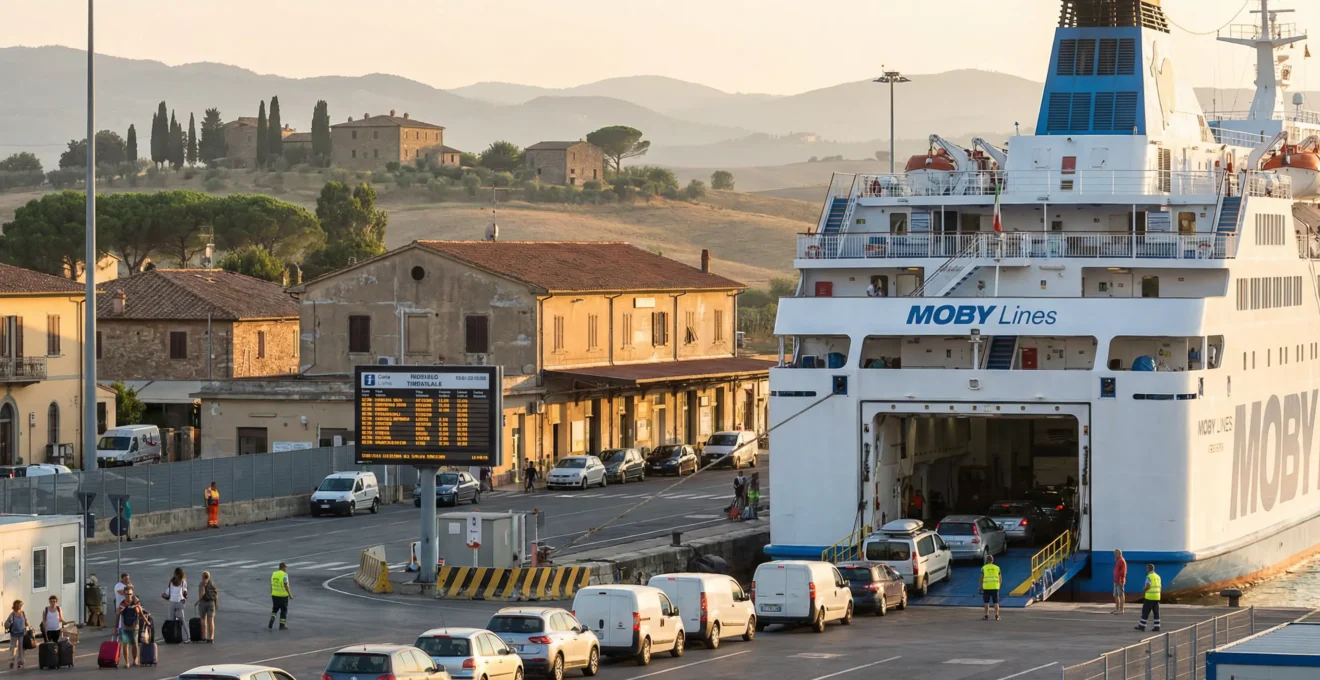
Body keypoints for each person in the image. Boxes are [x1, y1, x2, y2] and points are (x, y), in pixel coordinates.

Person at [116, 588, 144, 669]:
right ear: (124, 594)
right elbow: (117, 615)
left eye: (130, 594)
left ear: (132, 594)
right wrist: (116, 628)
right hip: (125, 627)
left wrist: (136, 605)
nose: (128, 596)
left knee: (134, 644)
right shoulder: (122, 603)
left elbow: (139, 612)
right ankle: (127, 662)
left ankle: (135, 659)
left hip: (134, 627)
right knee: (125, 644)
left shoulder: (135, 602)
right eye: (127, 594)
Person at [163, 567, 190, 643]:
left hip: (172, 602)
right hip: (180, 602)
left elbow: (168, 592)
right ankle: (188, 637)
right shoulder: (183, 582)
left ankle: (172, 636)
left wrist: (165, 595)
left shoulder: (172, 581)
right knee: (182, 620)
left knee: (172, 620)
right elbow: (185, 592)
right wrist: (186, 596)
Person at [1135, 564, 1161, 632]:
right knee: (1156, 613)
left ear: (1149, 569)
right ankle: (1157, 627)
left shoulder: (1149, 576)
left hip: (1149, 597)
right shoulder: (1158, 576)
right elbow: (1160, 587)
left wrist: (1144, 590)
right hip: (1157, 597)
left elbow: (1148, 586)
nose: (1146, 570)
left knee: (1145, 612)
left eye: (1146, 569)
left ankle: (1142, 626)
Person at [5, 600, 28, 670]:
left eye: (21, 605)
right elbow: (6, 624)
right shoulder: (12, 614)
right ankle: (11, 661)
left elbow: (26, 622)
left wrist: (29, 627)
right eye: (19, 604)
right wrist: (9, 624)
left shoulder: (23, 613)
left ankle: (20, 663)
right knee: (12, 648)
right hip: (14, 633)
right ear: (15, 605)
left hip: (22, 633)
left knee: (21, 649)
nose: (20, 606)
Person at [268, 562, 292, 630]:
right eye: (285, 567)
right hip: (283, 596)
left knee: (275, 609)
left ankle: (272, 618)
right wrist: (290, 595)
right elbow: (286, 585)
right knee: (283, 610)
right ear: (283, 567)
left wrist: (272, 592)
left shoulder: (274, 573)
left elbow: (272, 584)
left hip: (274, 594)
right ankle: (282, 625)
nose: (286, 568)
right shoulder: (284, 575)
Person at [197, 571, 218, 643]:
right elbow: (216, 595)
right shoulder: (213, 584)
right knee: (211, 621)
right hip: (211, 603)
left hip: (203, 602)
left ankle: (204, 637)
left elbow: (202, 593)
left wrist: (198, 601)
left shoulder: (201, 584)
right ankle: (211, 637)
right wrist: (216, 604)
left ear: (203, 577)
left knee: (203, 620)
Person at [980, 555, 1001, 621]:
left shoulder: (983, 568)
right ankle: (997, 616)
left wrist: (980, 586)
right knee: (996, 602)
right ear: (993, 560)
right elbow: (1000, 579)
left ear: (986, 560)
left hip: (986, 587)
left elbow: (981, 578)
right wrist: (998, 586)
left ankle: (986, 615)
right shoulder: (997, 568)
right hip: (995, 587)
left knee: (986, 602)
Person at [1112, 549, 1128, 615]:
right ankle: (1117, 609)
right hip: (1116, 580)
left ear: (1119, 554)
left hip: (1119, 581)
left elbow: (1123, 572)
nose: (1115, 554)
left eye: (1116, 553)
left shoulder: (1121, 560)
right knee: (1116, 595)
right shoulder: (1118, 560)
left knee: (1121, 595)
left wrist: (1120, 579)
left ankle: (1121, 609)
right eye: (1114, 553)